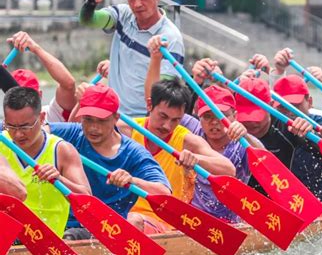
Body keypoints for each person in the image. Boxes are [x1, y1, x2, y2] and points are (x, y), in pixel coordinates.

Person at [46, 84, 171, 239]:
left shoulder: (133, 153)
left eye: (101, 121)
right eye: (88, 119)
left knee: (132, 221)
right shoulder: (72, 132)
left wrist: (132, 180)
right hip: (62, 221)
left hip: (108, 229)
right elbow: (36, 133)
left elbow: (165, 193)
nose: (93, 128)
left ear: (116, 118)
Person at [234, 76, 322, 210]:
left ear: (309, 101)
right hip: (266, 208)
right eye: (283, 106)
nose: (290, 111)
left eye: (295, 105)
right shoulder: (231, 127)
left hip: (318, 207)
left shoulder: (314, 123)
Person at [124, 78, 236, 229]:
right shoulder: (127, 129)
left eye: (175, 120)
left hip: (164, 222)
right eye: (163, 116)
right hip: (121, 213)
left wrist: (196, 159)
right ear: (149, 105)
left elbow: (229, 169)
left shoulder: (186, 140)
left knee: (132, 221)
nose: (167, 126)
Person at [79, 0, 184, 115]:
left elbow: (161, 98)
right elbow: (87, 20)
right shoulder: (123, 14)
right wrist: (91, 3)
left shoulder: (171, 37)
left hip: (143, 122)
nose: (137, 4)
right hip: (113, 114)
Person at [0, 86, 91, 236]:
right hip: (7, 235)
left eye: (25, 126)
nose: (18, 134)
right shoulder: (2, 143)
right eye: (11, 126)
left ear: (42, 118)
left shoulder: (62, 151)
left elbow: (87, 201)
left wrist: (59, 179)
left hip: (47, 241)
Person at [191, 84, 264, 222]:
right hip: (194, 220)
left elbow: (267, 165)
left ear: (235, 116)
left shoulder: (243, 144)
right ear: (198, 118)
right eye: (207, 116)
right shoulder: (191, 135)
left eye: (221, 115)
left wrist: (246, 136)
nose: (214, 122)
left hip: (231, 223)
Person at [5, 30, 77, 122]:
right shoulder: (4, 127)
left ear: (40, 95)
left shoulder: (52, 115)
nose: (22, 102)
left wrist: (35, 48)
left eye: (28, 97)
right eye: (15, 97)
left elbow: (68, 84)